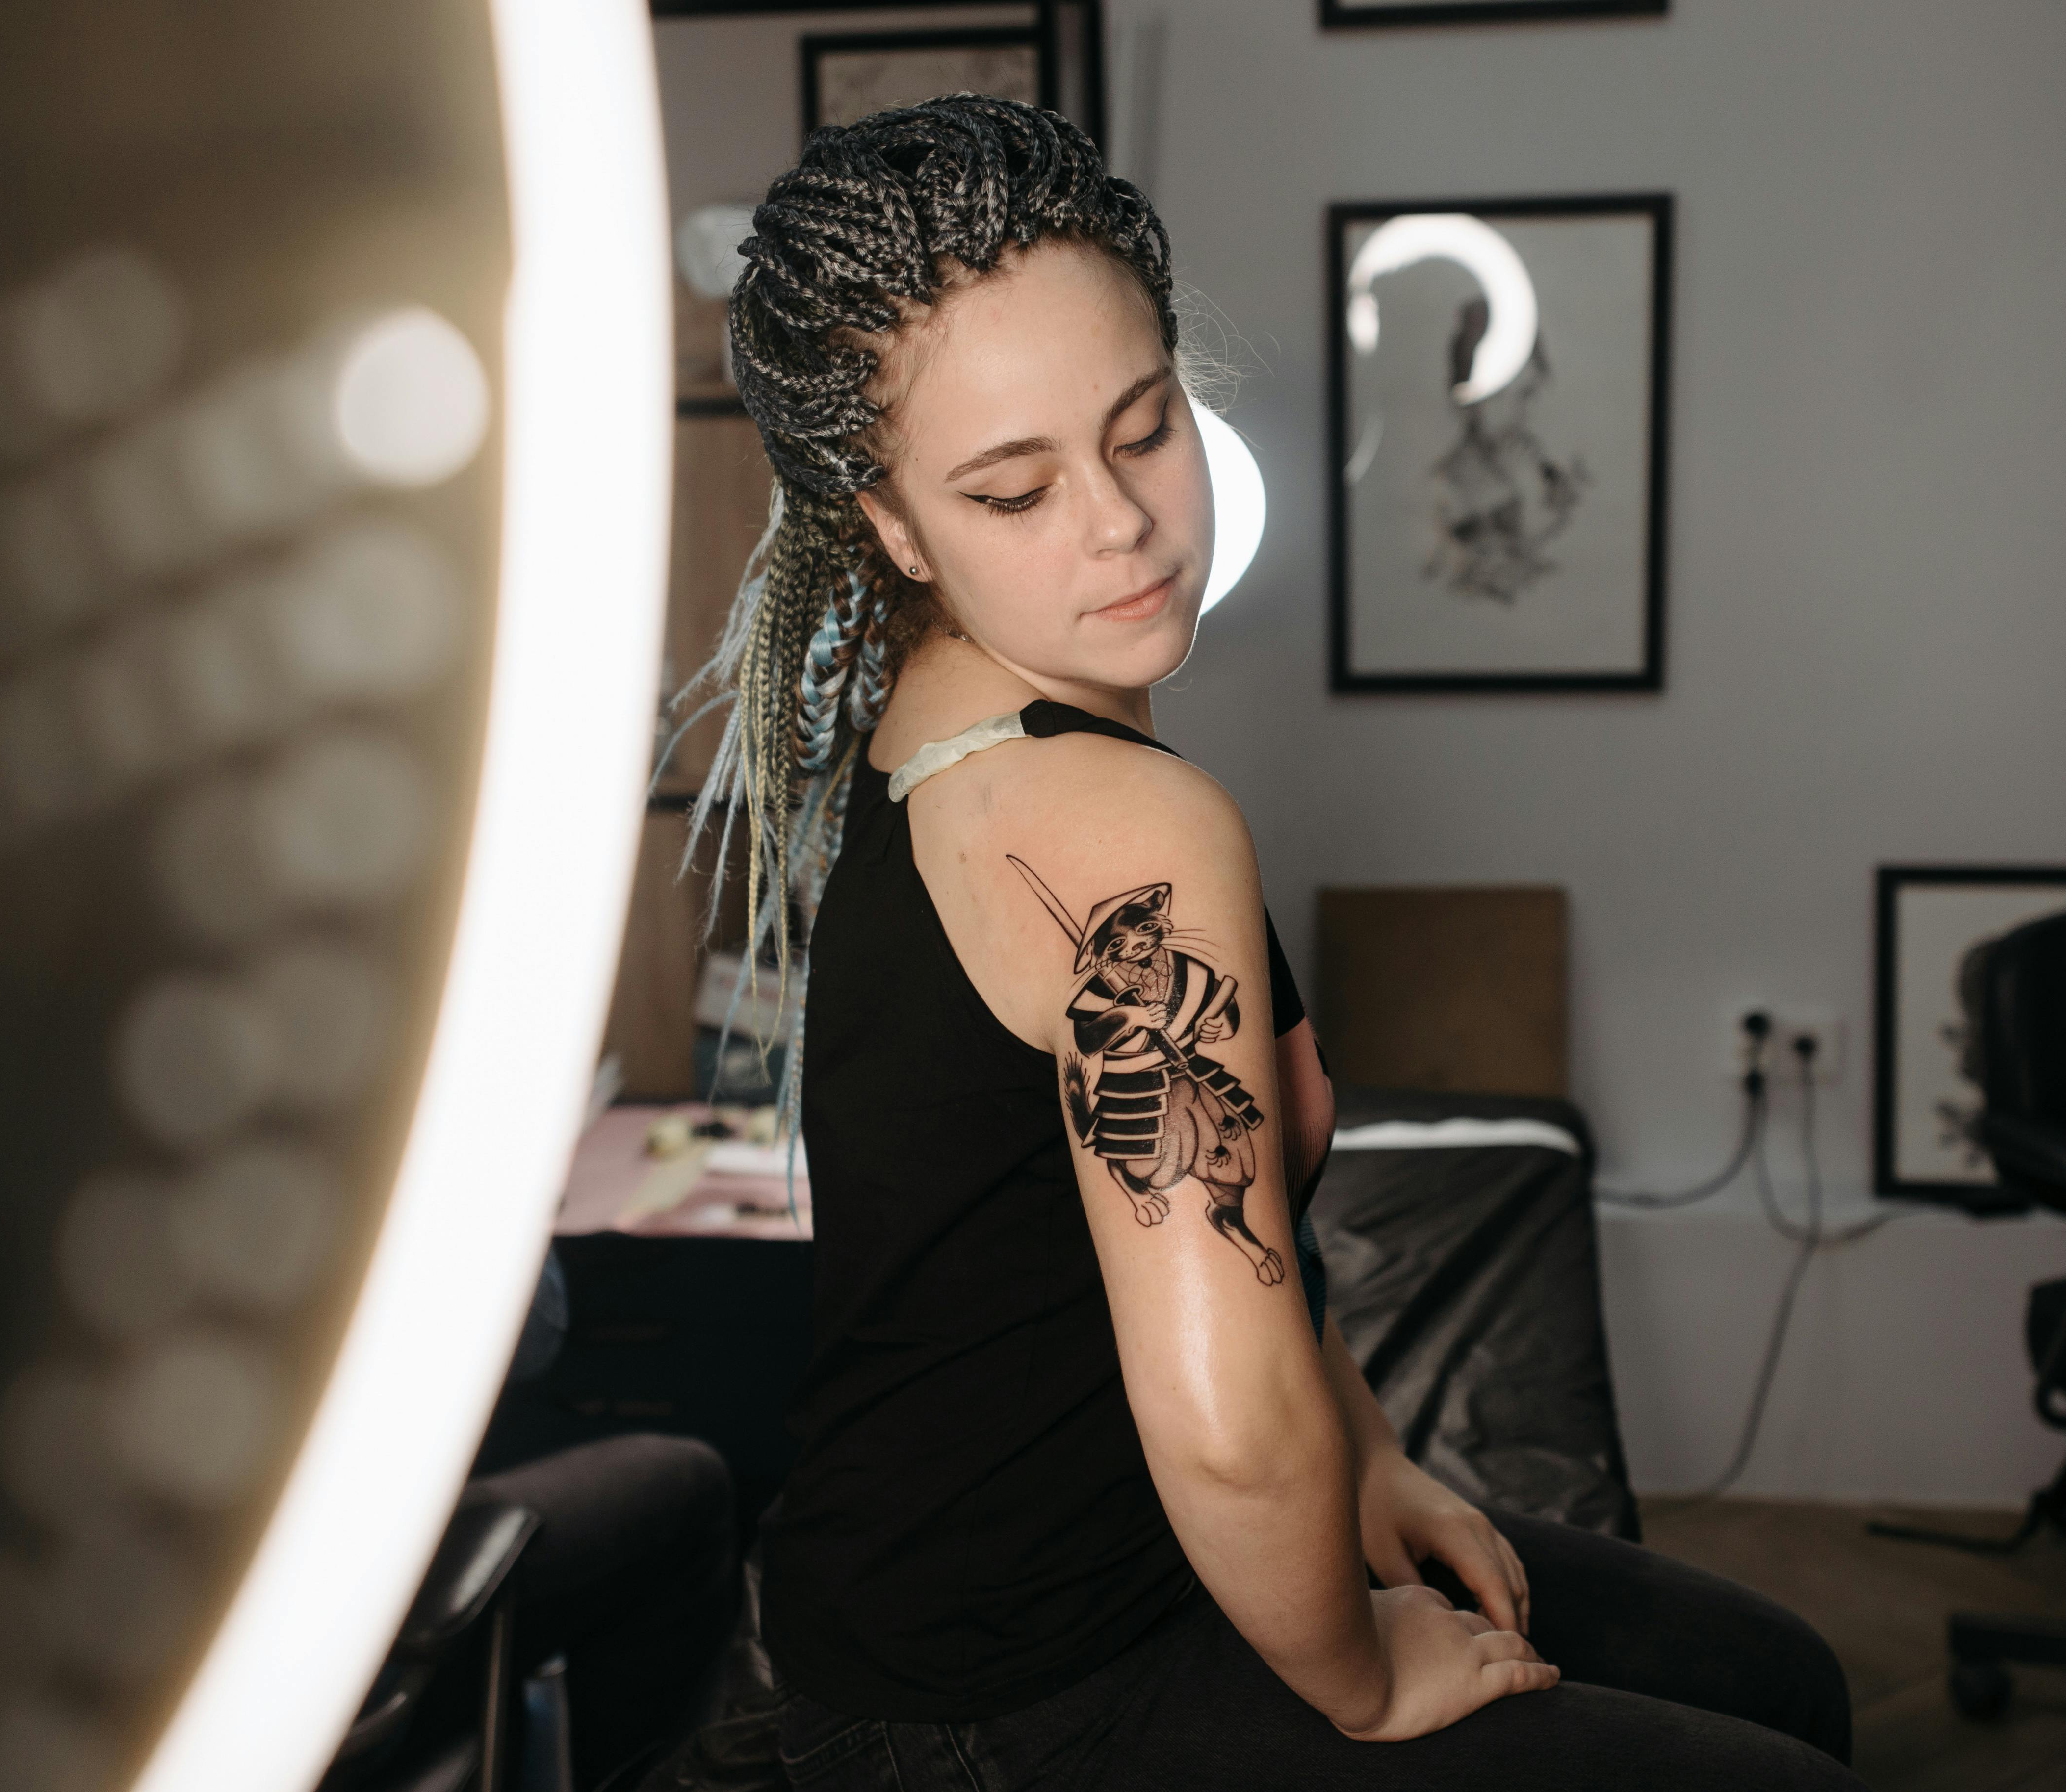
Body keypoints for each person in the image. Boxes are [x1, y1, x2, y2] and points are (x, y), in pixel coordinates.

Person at [680, 95, 1864, 1791]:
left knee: (1777, 1676)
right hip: (1005, 1688)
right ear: (892, 529)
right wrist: (1361, 1674)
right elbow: (1227, 1432)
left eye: (1143, 425)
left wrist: (1366, 1454)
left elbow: (1203, 1238)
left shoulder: (947, 718)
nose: (1119, 521)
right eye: (1013, 490)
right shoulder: (1108, 827)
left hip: (1023, 1584)